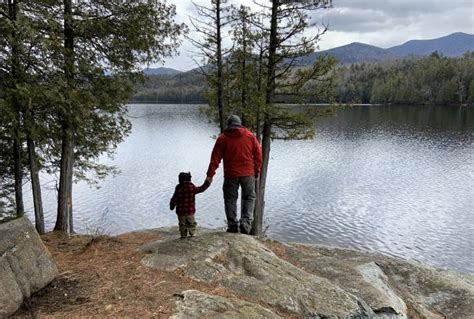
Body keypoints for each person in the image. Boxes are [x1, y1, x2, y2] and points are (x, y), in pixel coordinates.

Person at [206, 115, 262, 234]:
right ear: (240, 124)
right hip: (248, 174)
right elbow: (258, 155)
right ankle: (245, 223)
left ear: (228, 125)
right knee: (249, 197)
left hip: (231, 174)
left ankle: (232, 225)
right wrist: (256, 172)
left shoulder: (223, 138)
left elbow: (215, 159)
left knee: (230, 199)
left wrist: (210, 175)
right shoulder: (250, 136)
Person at [170, 172, 211, 239]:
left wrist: (172, 206)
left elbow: (174, 198)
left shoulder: (178, 187)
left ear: (180, 179)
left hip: (181, 211)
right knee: (192, 223)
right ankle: (192, 234)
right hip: (190, 211)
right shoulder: (192, 187)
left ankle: (183, 236)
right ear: (189, 179)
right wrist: (207, 183)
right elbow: (201, 189)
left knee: (182, 224)